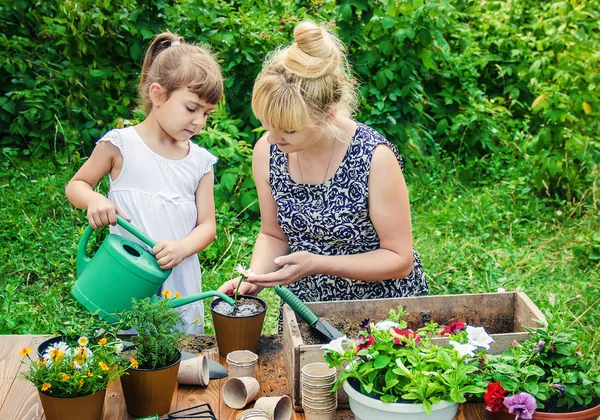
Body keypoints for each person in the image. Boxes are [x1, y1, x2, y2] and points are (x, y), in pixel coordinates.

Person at [218, 21, 428, 319]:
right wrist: (255, 279)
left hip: (382, 311)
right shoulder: (267, 150)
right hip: (305, 310)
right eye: (268, 125)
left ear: (327, 115)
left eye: (288, 130)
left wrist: (319, 263)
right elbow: (272, 234)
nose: (275, 139)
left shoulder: (374, 158)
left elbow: (399, 259)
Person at [66, 31, 223, 333]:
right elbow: (76, 185)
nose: (199, 121)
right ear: (157, 94)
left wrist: (182, 247)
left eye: (207, 113)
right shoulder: (121, 145)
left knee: (182, 354)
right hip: (125, 278)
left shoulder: (199, 162)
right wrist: (95, 200)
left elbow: (207, 226)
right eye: (192, 108)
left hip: (178, 282)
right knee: (128, 354)